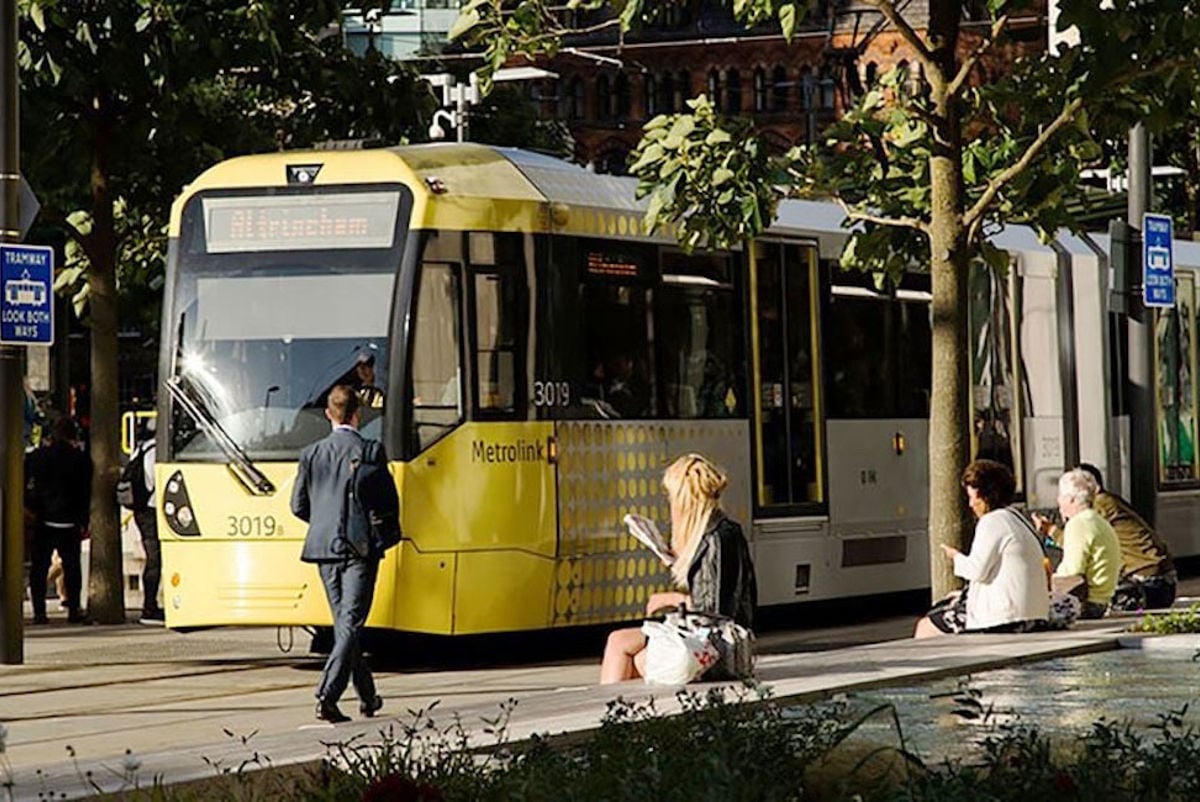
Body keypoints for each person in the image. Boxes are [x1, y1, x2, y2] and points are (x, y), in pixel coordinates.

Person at [600, 453, 757, 684]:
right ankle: (621, 713)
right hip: (717, 644)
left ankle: (613, 715)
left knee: (619, 643)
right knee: (632, 655)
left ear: (684, 500)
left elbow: (710, 611)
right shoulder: (719, 532)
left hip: (717, 650)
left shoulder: (715, 540)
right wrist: (679, 561)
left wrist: (670, 598)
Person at [290, 385, 387, 723]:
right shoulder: (371, 451)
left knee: (346, 624)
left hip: (323, 548)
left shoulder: (311, 454)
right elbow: (386, 503)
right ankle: (327, 696)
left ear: (329, 414)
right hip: (360, 548)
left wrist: (324, 523)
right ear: (357, 414)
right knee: (350, 622)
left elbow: (298, 506)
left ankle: (369, 696)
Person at [914, 459, 1049, 637]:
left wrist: (955, 557)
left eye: (972, 497)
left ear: (986, 496)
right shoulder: (1017, 518)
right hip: (1033, 613)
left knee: (926, 626)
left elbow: (977, 570)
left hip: (1004, 617)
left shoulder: (992, 521)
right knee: (948, 604)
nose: (970, 504)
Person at [1075, 464, 1176, 610]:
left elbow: (1079, 544)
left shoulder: (1099, 506)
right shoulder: (1110, 500)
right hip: (1162, 583)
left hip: (1145, 585)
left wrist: (1051, 530)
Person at [25, 415, 92, 625]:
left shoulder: (37, 457)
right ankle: (73, 609)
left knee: (39, 566)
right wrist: (84, 520)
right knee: (72, 567)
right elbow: (85, 492)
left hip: (43, 518)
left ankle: (39, 612)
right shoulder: (80, 459)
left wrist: (31, 507)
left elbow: (24, 483)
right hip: (69, 519)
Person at [1034, 468, 1121, 620]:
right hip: (1102, 601)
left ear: (1072, 499)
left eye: (1061, 496)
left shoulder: (1078, 524)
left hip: (1085, 604)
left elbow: (1071, 574)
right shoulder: (1098, 521)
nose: (1058, 501)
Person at [130, 422, 164, 625]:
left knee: (154, 558)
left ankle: (150, 605)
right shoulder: (156, 452)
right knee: (155, 559)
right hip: (151, 510)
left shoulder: (140, 449)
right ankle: (149, 607)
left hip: (142, 511)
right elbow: (157, 481)